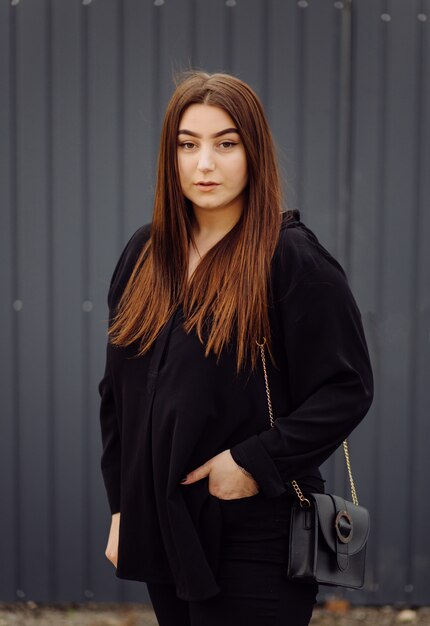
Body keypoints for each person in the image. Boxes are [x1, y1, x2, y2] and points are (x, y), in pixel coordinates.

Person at [98, 70, 374, 626]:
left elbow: (346, 391)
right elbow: (117, 398)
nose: (205, 164)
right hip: (163, 526)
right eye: (188, 144)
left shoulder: (292, 260)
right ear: (169, 156)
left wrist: (249, 465)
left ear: (254, 153)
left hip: (255, 527)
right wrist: (123, 507)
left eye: (226, 143)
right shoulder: (146, 253)